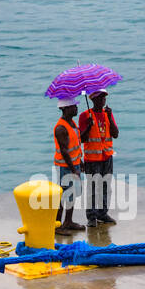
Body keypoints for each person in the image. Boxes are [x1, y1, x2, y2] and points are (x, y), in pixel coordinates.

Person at [79, 89, 118, 225]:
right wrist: (89, 126)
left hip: (106, 156)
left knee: (106, 186)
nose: (103, 100)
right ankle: (91, 216)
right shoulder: (85, 116)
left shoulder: (107, 113)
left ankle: (103, 213)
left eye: (104, 97)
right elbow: (82, 139)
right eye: (101, 97)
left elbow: (115, 133)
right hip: (92, 159)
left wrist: (110, 116)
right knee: (93, 188)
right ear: (93, 99)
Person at [53, 97, 86, 233]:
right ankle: (57, 225)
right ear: (66, 109)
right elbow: (64, 151)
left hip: (74, 164)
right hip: (65, 167)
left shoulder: (71, 123)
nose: (76, 108)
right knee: (63, 196)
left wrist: (80, 161)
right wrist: (73, 170)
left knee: (71, 194)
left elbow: (75, 145)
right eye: (73, 106)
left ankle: (68, 221)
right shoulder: (61, 127)